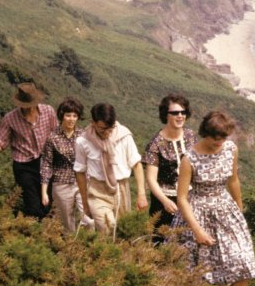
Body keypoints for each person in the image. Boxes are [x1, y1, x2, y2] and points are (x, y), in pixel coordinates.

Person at [176, 110, 255, 286]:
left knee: (244, 263)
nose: (219, 142)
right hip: (198, 212)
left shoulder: (231, 149)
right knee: (196, 273)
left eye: (223, 138)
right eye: (215, 138)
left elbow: (233, 180)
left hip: (226, 209)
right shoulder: (189, 159)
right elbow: (181, 198)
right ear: (206, 133)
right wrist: (197, 230)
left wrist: (239, 207)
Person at [0, 82, 56, 219]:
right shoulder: (10, 119)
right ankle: (33, 233)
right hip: (24, 166)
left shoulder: (48, 112)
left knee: (47, 204)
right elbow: (0, 145)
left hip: (46, 163)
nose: (29, 108)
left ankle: (44, 234)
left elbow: (56, 136)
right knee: (32, 205)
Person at [73, 103, 147, 237]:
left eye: (110, 128)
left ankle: (113, 257)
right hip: (97, 190)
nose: (107, 133)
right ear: (93, 123)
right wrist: (85, 202)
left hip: (121, 188)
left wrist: (141, 194)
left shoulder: (124, 135)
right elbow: (79, 171)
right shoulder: (83, 141)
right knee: (106, 228)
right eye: (102, 129)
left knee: (122, 231)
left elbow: (136, 164)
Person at [144, 93, 197, 242]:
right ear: (165, 115)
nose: (180, 116)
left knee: (189, 241)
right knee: (162, 242)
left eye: (183, 112)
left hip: (190, 198)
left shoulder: (191, 136)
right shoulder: (155, 144)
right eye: (174, 113)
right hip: (165, 202)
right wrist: (165, 200)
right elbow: (151, 179)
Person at [40, 97, 85, 233]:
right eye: (68, 115)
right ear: (62, 116)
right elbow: (46, 164)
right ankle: (71, 249)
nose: (71, 119)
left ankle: (90, 246)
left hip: (82, 182)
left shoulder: (83, 135)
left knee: (89, 218)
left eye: (75, 115)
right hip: (61, 184)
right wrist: (44, 192)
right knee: (67, 223)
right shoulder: (52, 138)